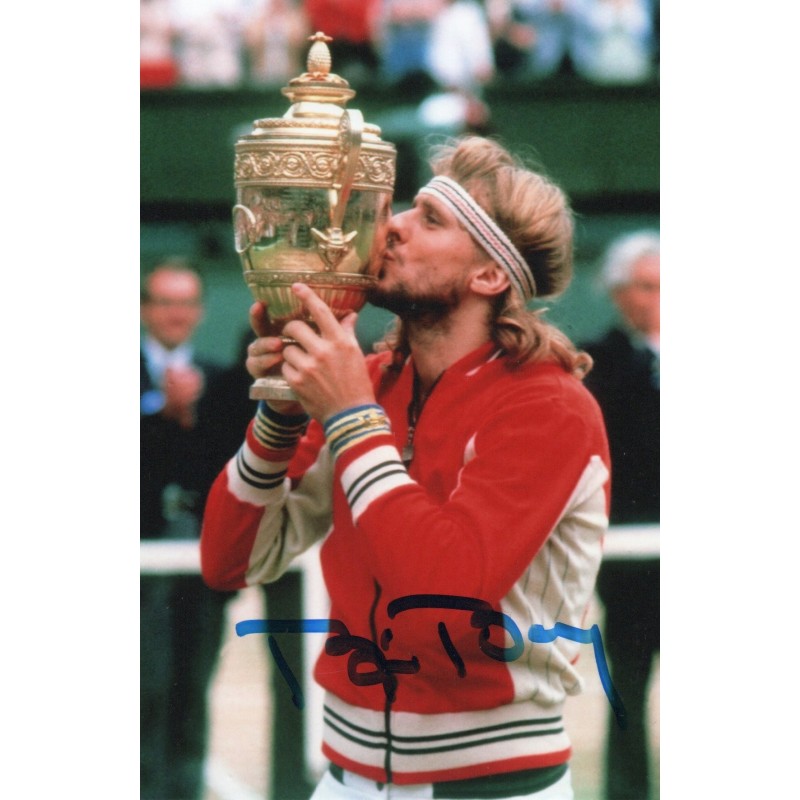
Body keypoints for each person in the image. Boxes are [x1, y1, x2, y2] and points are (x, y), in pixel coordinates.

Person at [201, 136, 611, 799]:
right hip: (346, 776)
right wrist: (280, 413)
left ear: (489, 276)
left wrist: (351, 416)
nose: (392, 225)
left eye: (431, 219)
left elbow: (440, 604)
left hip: (493, 784)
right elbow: (228, 561)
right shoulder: (366, 383)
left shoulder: (550, 406)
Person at [140, 258, 235, 799]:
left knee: (192, 685)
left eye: (185, 303)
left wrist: (192, 414)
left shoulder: (219, 380)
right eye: (165, 302)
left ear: (198, 312)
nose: (175, 314)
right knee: (143, 686)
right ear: (144, 309)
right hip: (142, 548)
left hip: (200, 555)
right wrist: (161, 412)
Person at [581, 230, 659, 800]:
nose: (656, 300)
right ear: (618, 292)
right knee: (627, 686)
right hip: (631, 555)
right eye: (646, 287)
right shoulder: (598, 363)